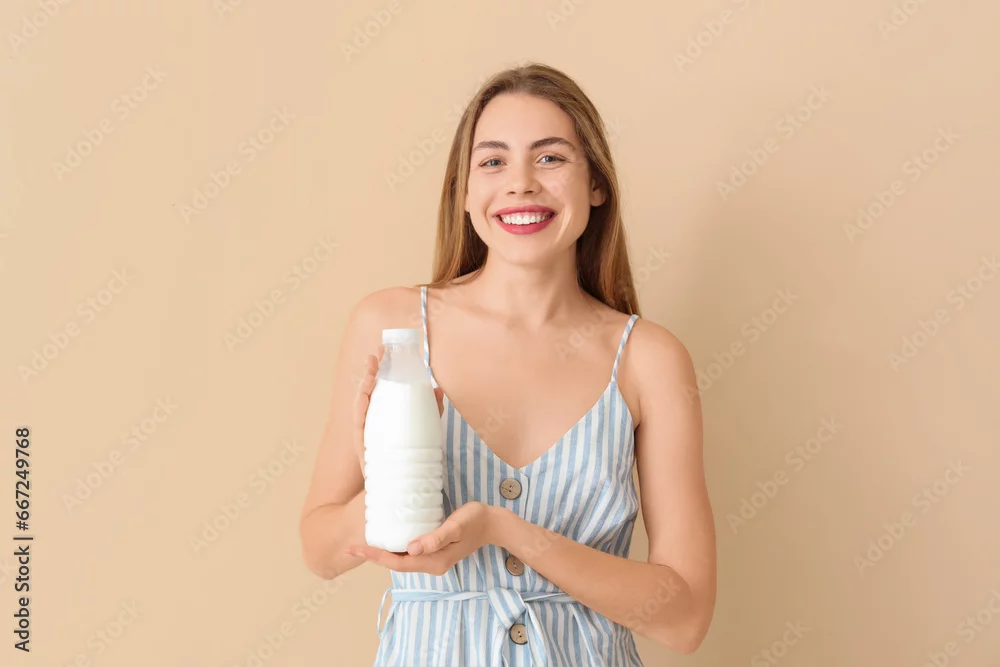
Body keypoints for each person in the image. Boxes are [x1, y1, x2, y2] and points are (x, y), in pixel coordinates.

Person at [299, 62, 716, 666]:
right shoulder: (391, 329)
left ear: (596, 185)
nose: (521, 184)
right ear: (465, 192)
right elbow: (319, 550)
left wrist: (507, 530)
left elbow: (685, 619)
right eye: (493, 161)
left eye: (550, 158)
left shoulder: (650, 360)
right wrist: (389, 495)